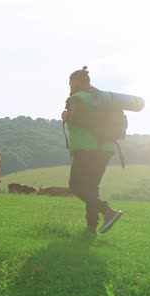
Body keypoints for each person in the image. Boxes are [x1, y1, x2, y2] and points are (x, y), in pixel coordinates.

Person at [62, 66, 122, 235]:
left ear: (75, 82)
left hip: (86, 148)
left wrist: (67, 116)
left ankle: (108, 212)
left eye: (70, 82)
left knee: (76, 186)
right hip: (106, 149)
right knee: (91, 188)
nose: (69, 86)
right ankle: (91, 229)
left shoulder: (76, 98)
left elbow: (80, 120)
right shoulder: (101, 99)